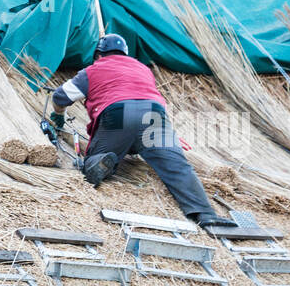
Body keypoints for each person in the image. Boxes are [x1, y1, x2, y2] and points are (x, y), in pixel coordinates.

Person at [49, 33, 234, 228]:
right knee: (177, 166)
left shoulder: (93, 70)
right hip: (154, 114)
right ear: (126, 53)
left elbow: (61, 96)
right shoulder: (142, 69)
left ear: (98, 55)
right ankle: (205, 214)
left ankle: (102, 161)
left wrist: (59, 114)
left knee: (94, 159)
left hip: (118, 113)